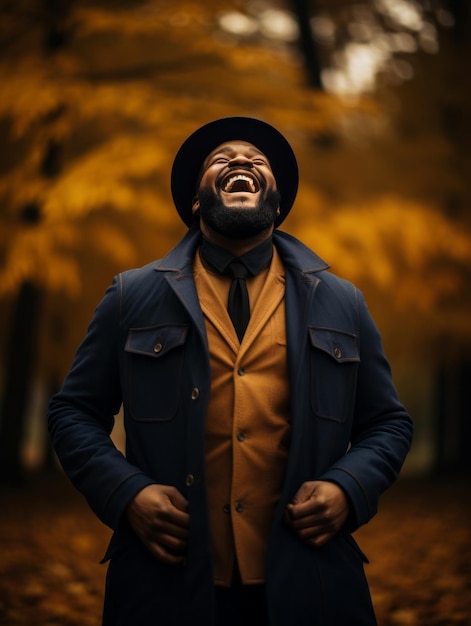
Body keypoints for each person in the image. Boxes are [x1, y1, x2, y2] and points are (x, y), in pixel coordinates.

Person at [48, 116, 413, 626]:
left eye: (256, 161)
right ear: (197, 200)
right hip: (164, 588)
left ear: (276, 203)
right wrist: (126, 492)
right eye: (221, 160)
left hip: (313, 586)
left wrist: (350, 486)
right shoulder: (131, 295)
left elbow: (388, 424)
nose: (240, 161)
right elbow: (73, 413)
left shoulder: (342, 301)